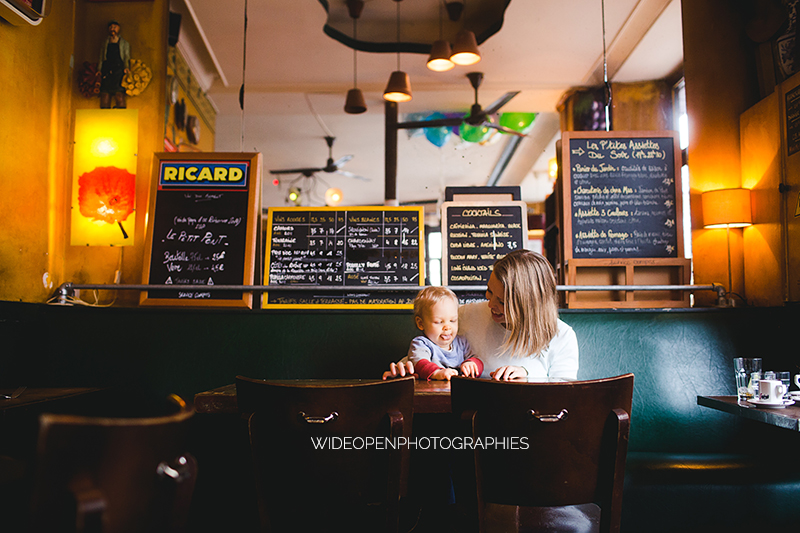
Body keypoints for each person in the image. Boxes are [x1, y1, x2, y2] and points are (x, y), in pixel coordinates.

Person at [384, 249, 578, 381]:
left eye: (502, 302)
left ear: (529, 306)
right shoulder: (466, 315)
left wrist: (528, 376)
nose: (490, 304)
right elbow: (430, 350)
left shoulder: (562, 336)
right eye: (489, 291)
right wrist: (405, 367)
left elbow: (565, 394)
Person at [407, 286, 483, 381]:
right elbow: (420, 364)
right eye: (439, 322)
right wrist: (437, 372)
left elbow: (477, 360)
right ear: (421, 323)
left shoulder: (461, 343)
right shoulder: (421, 344)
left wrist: (472, 364)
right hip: (433, 392)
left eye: (452, 320)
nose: (447, 327)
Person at [98, 21, 130, 109]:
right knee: (105, 96)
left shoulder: (124, 43)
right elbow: (101, 56)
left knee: (119, 95)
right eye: (111, 27)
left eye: (114, 27)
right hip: (107, 69)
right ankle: (104, 114)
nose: (112, 29)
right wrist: (99, 69)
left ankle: (121, 114)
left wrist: (126, 67)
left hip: (118, 70)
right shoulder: (105, 43)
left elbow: (127, 56)